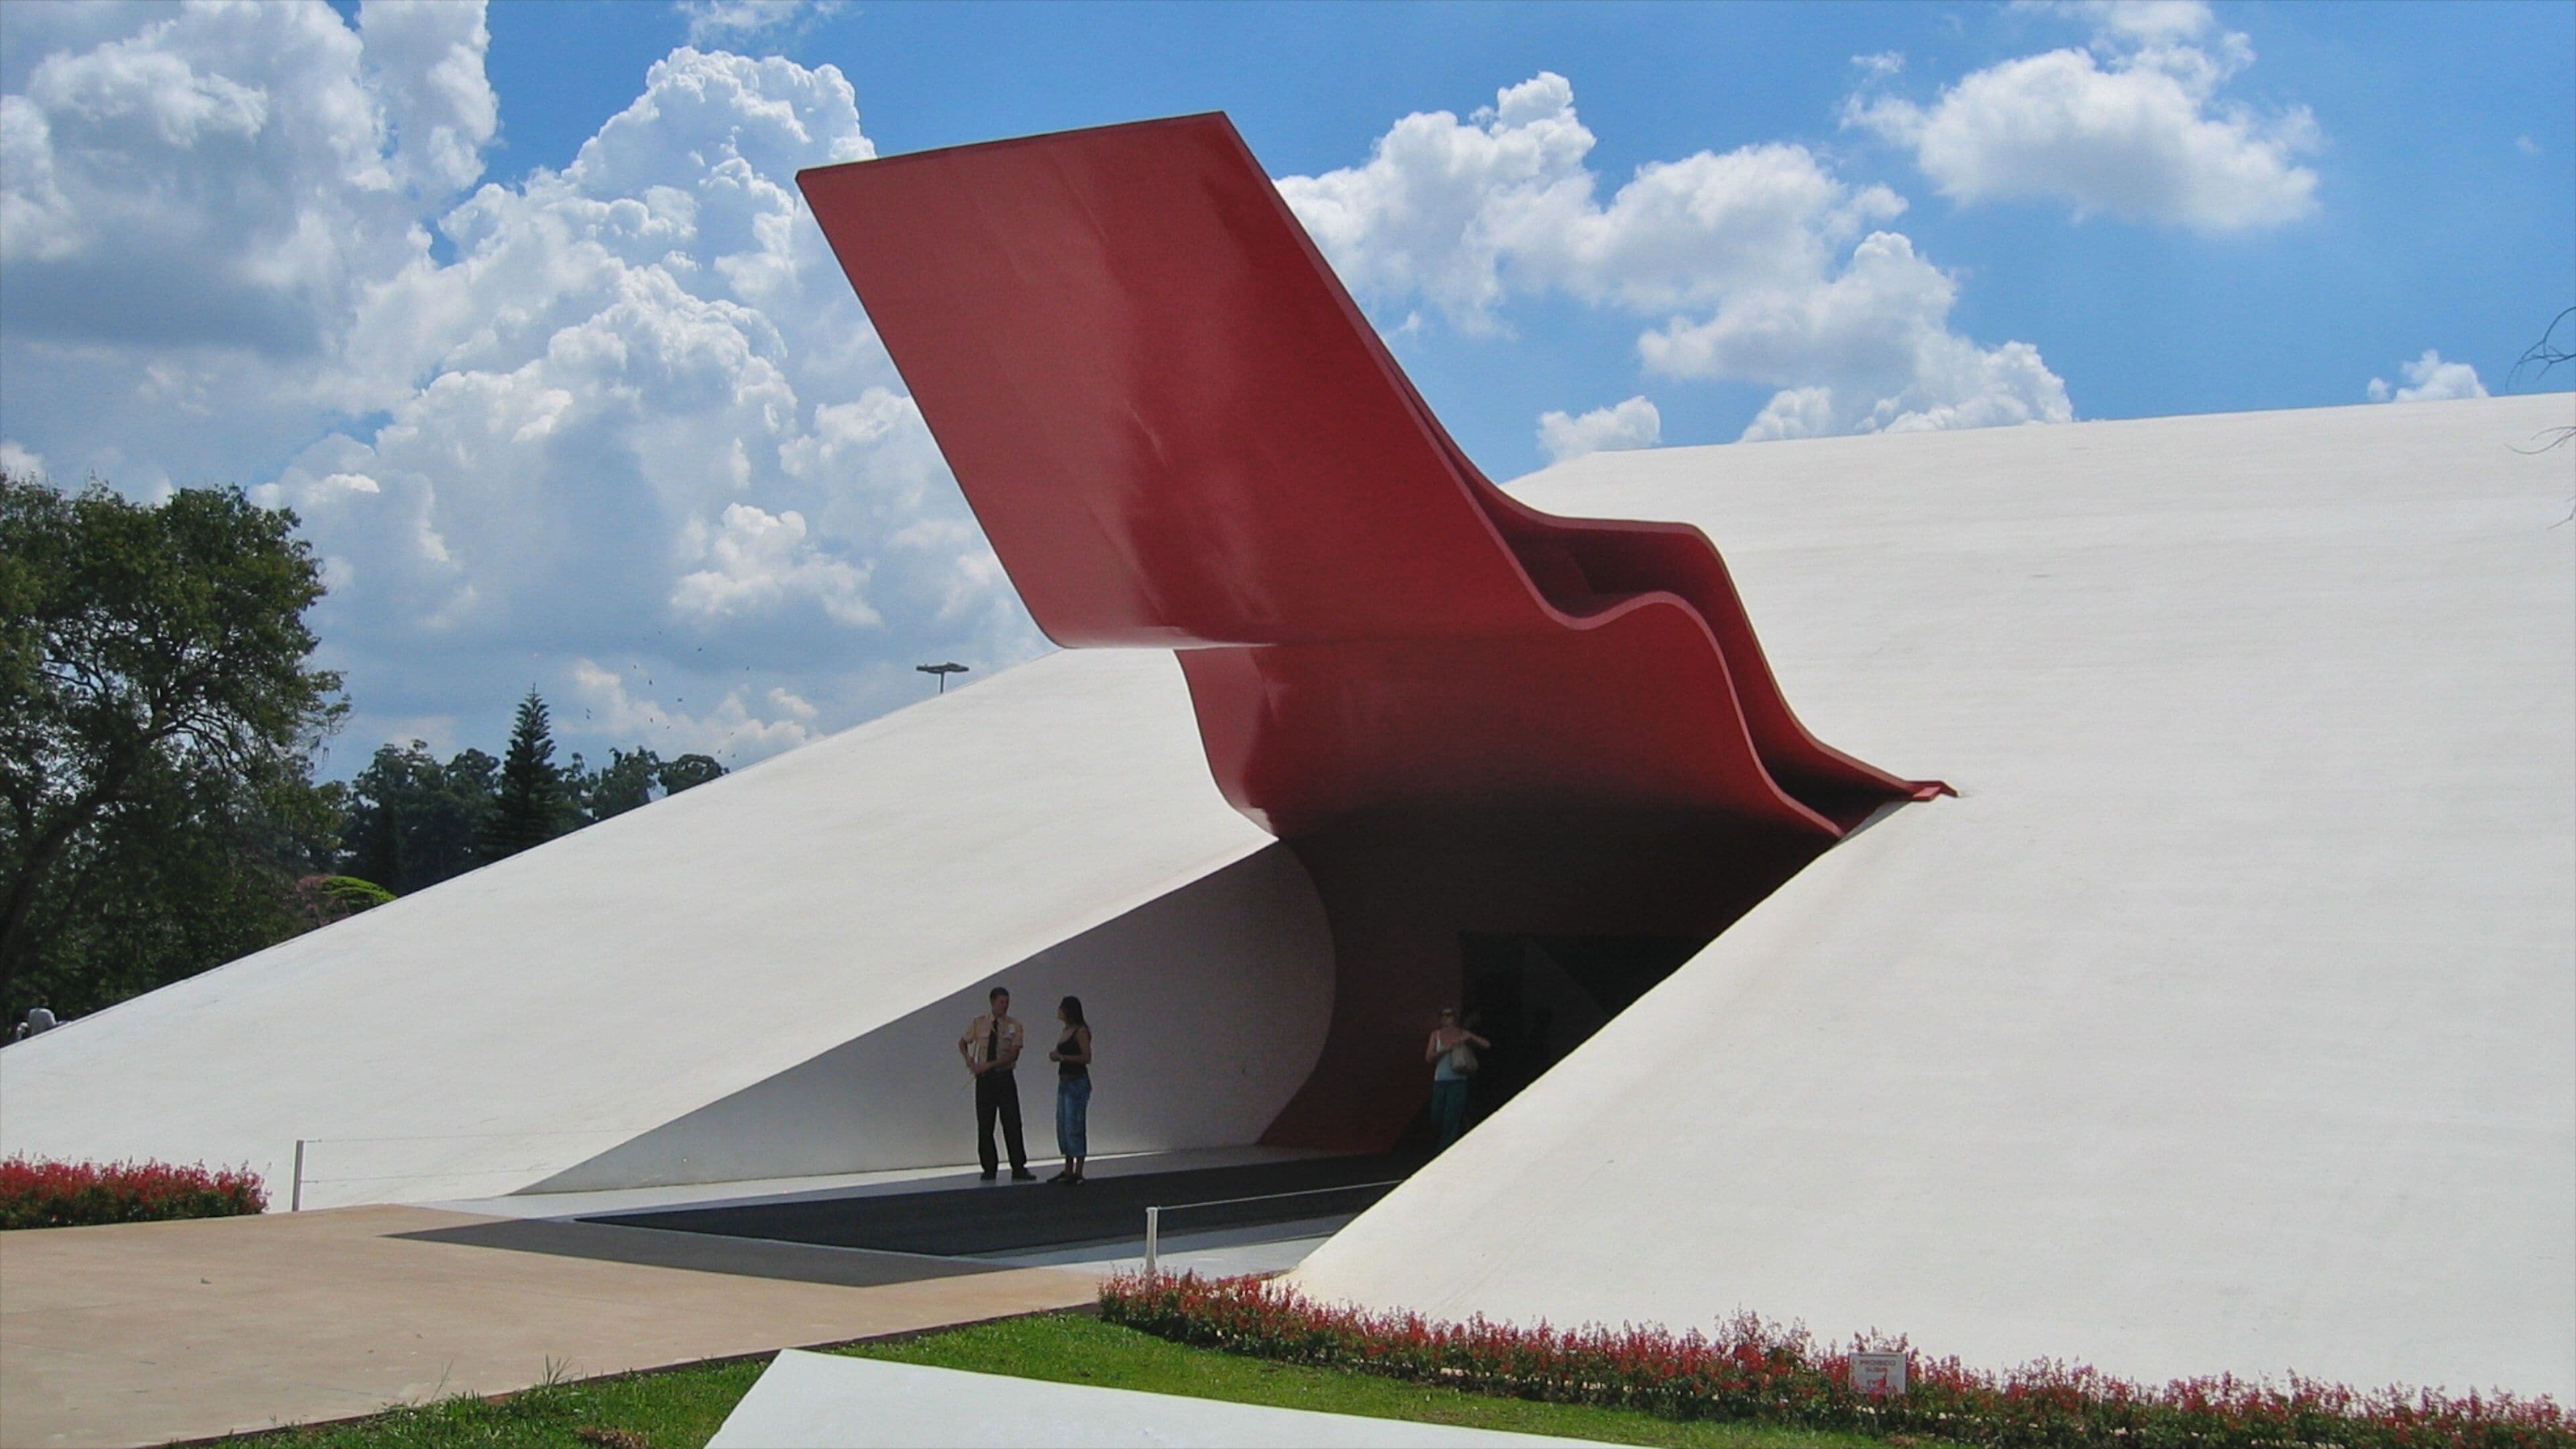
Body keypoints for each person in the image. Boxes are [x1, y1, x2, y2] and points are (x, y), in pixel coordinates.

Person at [958, 986, 1034, 1181]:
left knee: (1012, 1123)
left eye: (1007, 1002)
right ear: (992, 1002)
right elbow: (963, 1042)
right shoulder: (979, 1023)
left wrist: (989, 1065)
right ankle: (989, 1168)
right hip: (985, 1081)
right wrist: (970, 1061)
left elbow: (1013, 1054)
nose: (1005, 1006)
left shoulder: (1014, 1025)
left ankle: (1018, 1166)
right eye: (1001, 1002)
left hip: (1004, 1077)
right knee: (985, 1124)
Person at [1425, 1006, 1490, 1149]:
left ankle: (1446, 1148)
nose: (1447, 1018)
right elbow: (1429, 1057)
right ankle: (1441, 1143)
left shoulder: (1462, 1033)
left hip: (1458, 1080)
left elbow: (1486, 1045)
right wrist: (1446, 1049)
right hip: (1441, 1081)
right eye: (1444, 1015)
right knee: (1437, 1115)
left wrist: (1471, 1037)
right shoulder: (1436, 1035)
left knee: (1452, 1116)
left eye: (1450, 1015)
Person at [1046, 995, 1093, 1184]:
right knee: (1064, 1124)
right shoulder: (1066, 1030)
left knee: (1076, 1125)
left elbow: (1086, 1057)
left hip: (1077, 1083)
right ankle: (1068, 1168)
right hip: (1064, 1082)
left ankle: (1078, 1171)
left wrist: (1063, 1057)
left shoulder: (1081, 1031)